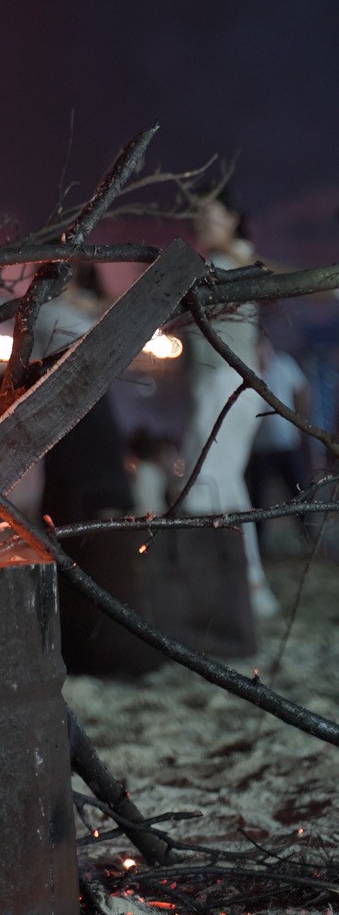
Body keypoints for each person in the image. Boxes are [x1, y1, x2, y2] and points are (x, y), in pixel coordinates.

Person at [180, 188, 279, 619]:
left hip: (224, 381)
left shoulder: (231, 258)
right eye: (197, 213)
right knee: (226, 481)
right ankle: (247, 586)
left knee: (204, 478)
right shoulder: (225, 261)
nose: (201, 221)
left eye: (211, 213)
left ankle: (216, 588)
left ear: (233, 217)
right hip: (230, 380)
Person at [35, 265, 134, 528]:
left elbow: (123, 308)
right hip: (65, 402)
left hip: (92, 400)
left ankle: (97, 531)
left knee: (96, 463)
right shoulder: (45, 309)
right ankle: (68, 534)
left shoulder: (88, 304)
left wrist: (84, 302)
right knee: (70, 472)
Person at [247, 333, 311, 548]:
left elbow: (302, 390)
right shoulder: (249, 369)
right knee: (258, 497)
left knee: (298, 490)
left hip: (287, 445)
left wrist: (300, 424)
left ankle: (309, 535)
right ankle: (259, 542)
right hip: (259, 448)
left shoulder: (284, 364)